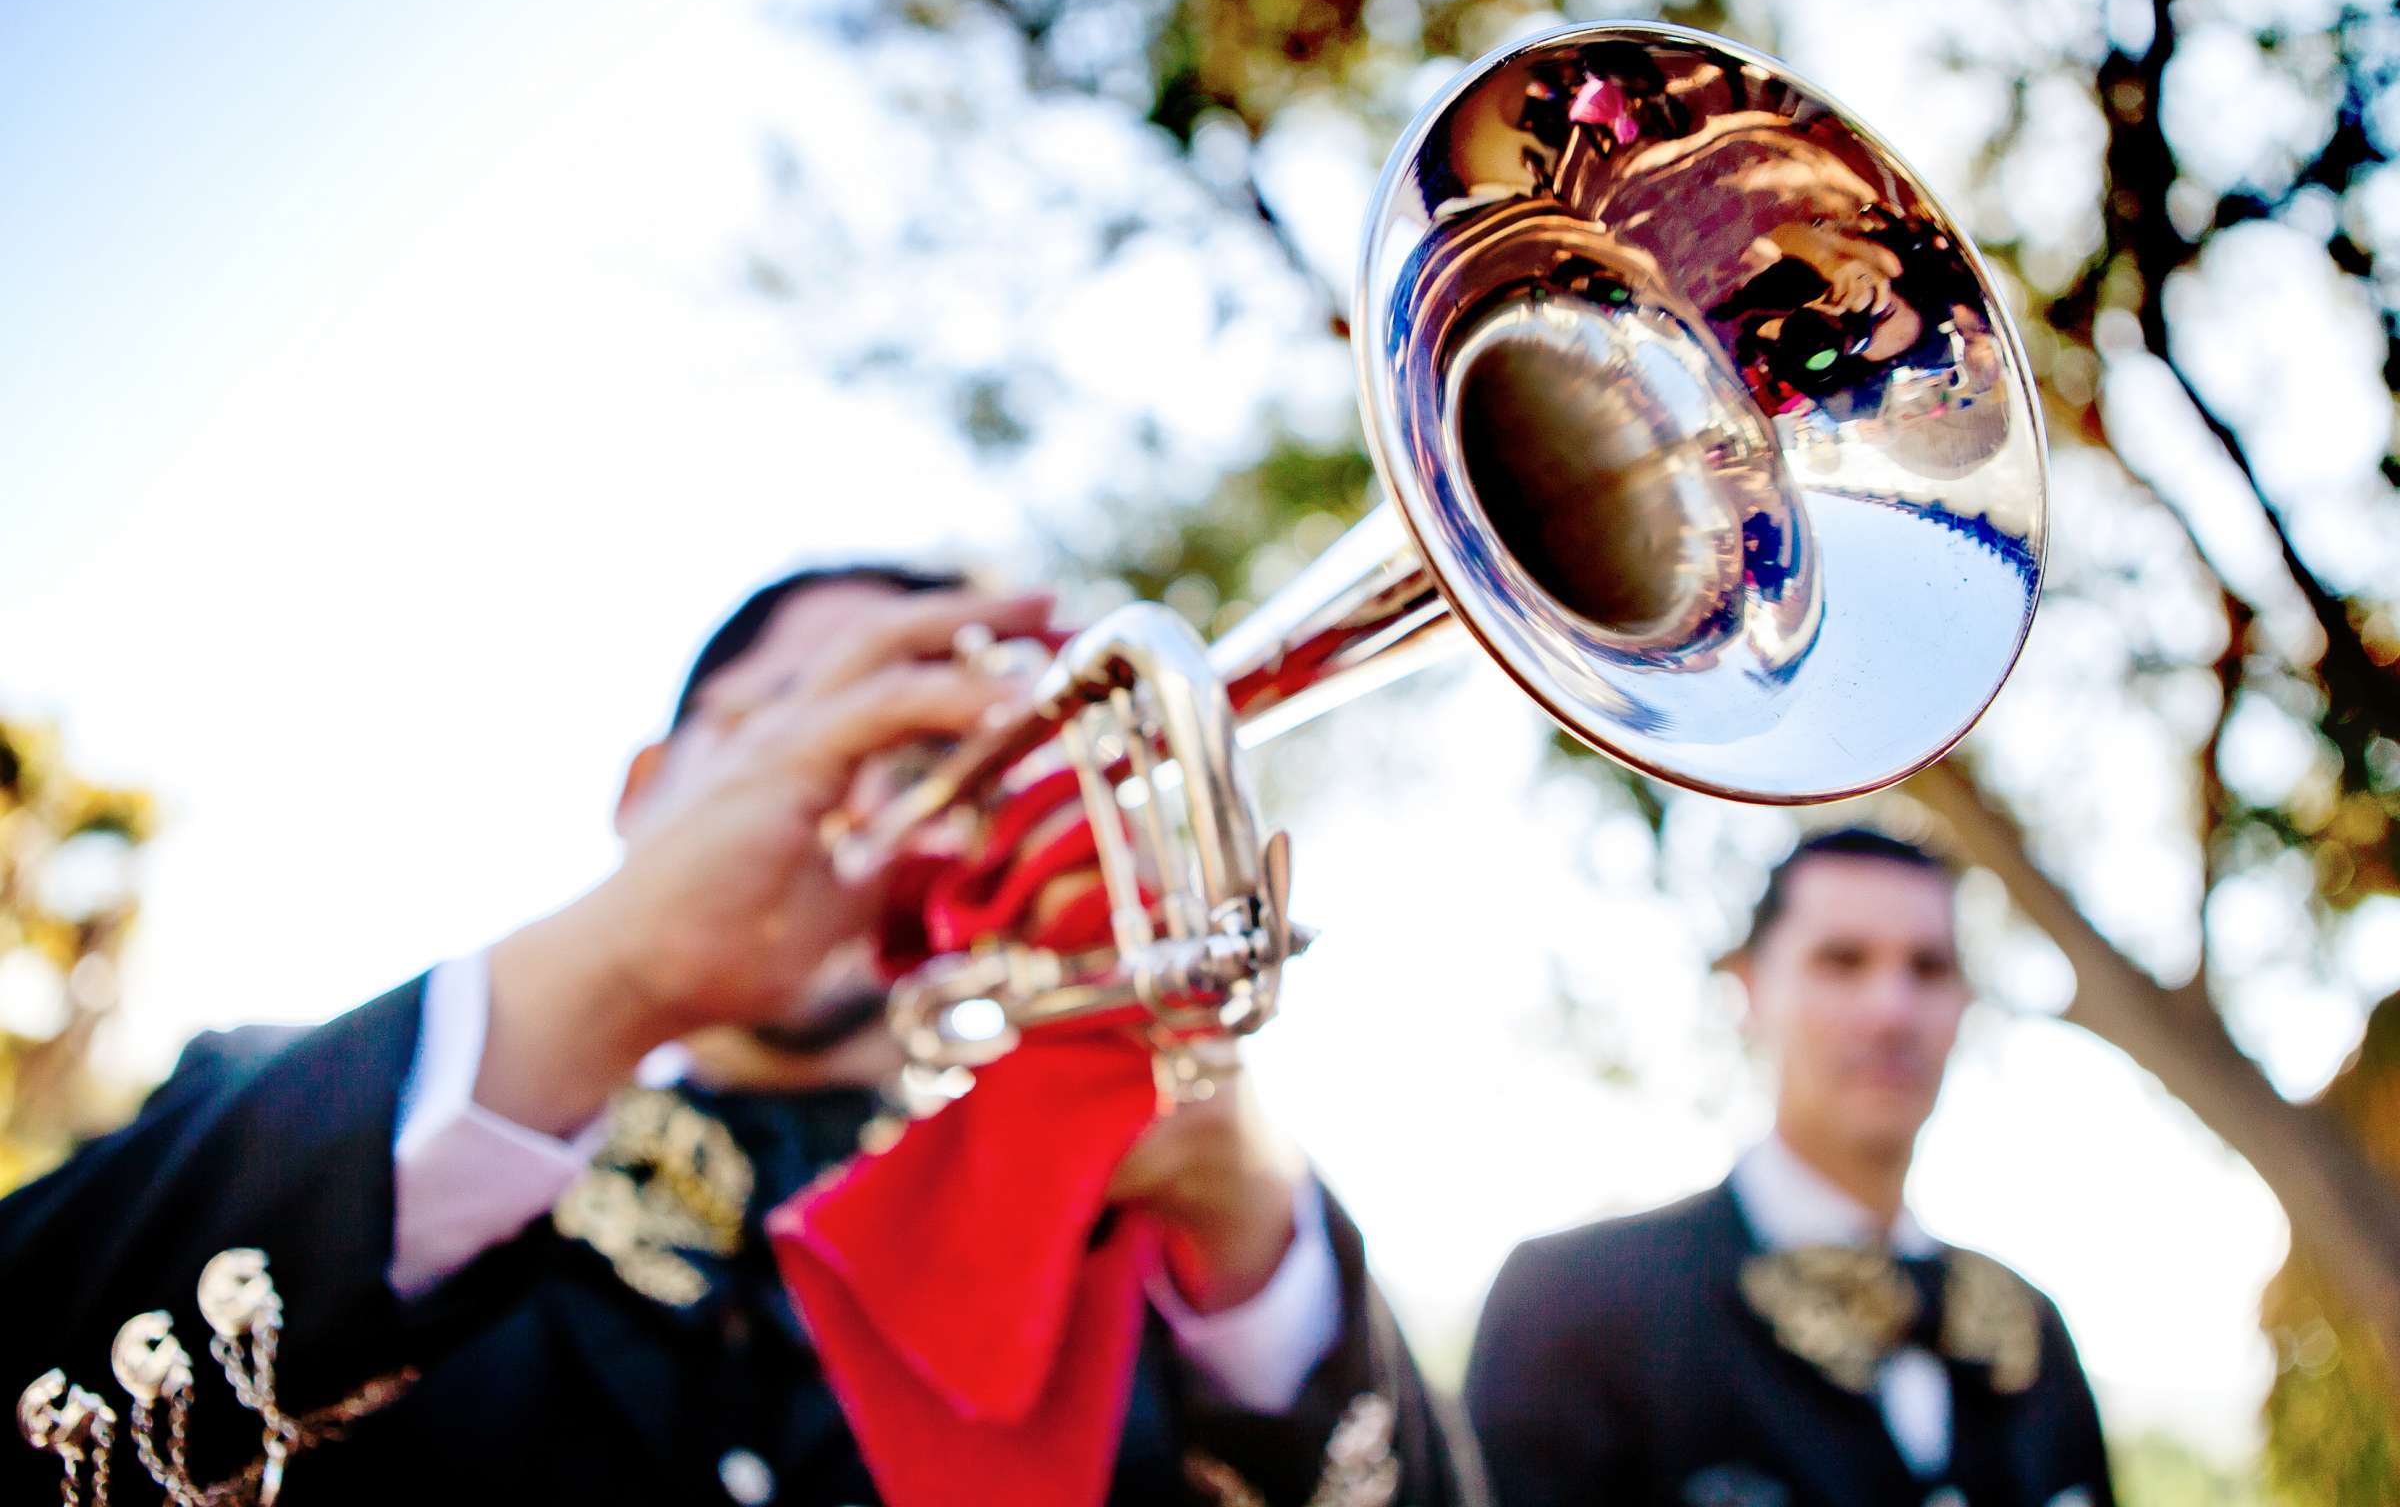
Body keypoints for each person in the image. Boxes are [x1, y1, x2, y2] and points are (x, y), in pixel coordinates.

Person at [1, 563, 1478, 1507]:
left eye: (954, 759)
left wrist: (1245, 1221)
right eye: (825, 719)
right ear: (653, 787)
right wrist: (603, 972)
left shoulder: (1143, 1252)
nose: (893, 806)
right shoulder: (278, 1104)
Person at [1464, 828, 2113, 1507]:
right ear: (1748, 990)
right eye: (1842, 961)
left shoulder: (2030, 1330)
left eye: (1928, 967)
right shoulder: (1572, 1305)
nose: (1892, 1010)